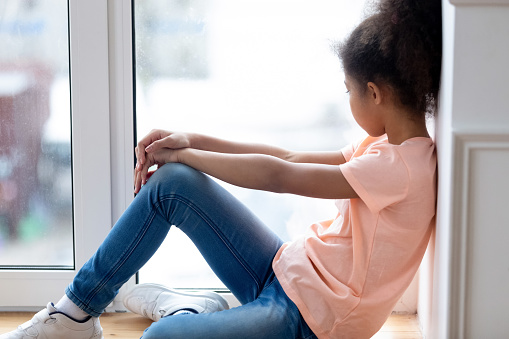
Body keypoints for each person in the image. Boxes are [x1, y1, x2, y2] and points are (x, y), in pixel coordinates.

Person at [0, 0, 442, 338]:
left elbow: (279, 177)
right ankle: (73, 313)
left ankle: (187, 311)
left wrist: (185, 154)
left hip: (310, 319)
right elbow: (287, 157)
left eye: (348, 90)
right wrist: (191, 141)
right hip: (291, 270)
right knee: (172, 184)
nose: (347, 99)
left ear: (375, 93)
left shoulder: (400, 170)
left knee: (160, 336)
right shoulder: (388, 145)